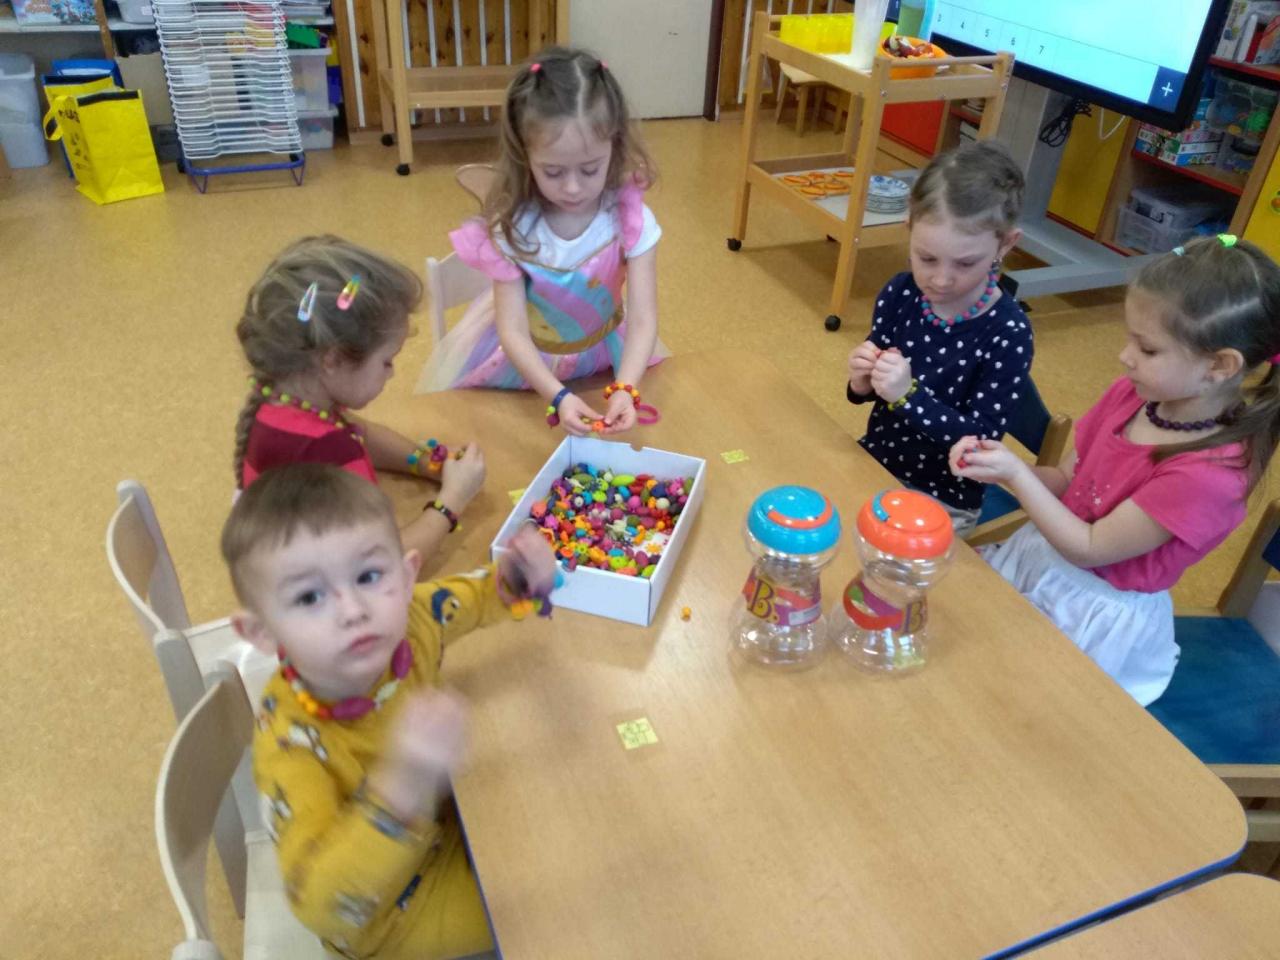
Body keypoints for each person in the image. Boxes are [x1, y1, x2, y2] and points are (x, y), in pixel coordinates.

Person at [222, 463, 555, 959]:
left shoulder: (410, 618)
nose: (353, 610)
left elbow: (472, 598)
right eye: (310, 596)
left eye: (368, 576)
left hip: (449, 824)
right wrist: (403, 783)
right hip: (389, 918)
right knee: (555, 907)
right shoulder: (289, 742)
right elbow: (318, 904)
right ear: (262, 632)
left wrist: (517, 578)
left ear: (406, 574)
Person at [953, 235, 1280, 705]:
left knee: (1016, 704)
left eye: (1147, 349)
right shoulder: (1134, 395)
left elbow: (1090, 548)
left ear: (1220, 365)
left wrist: (1017, 477)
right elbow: (1066, 482)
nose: (1125, 356)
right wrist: (998, 467)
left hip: (1093, 617)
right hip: (1044, 560)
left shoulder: (1209, 476)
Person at [417, 46, 664, 436]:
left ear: (614, 147)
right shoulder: (513, 228)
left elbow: (644, 319)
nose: (572, 188)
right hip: (524, 368)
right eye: (553, 172)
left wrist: (627, 388)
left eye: (590, 169)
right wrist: (558, 397)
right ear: (524, 155)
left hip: (606, 357)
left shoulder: (631, 220)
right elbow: (513, 332)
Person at [233, 235, 486, 563]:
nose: (392, 373)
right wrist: (453, 499)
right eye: (386, 361)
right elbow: (385, 561)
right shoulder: (331, 450)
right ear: (333, 359)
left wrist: (426, 463)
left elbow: (360, 432)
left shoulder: (285, 400)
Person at [846, 141, 1031, 532]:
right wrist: (861, 382)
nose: (941, 279)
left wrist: (907, 396)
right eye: (927, 258)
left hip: (944, 498)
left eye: (966, 263)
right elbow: (877, 390)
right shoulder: (901, 293)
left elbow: (980, 445)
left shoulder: (1008, 333)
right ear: (909, 229)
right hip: (876, 463)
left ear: (1006, 244)